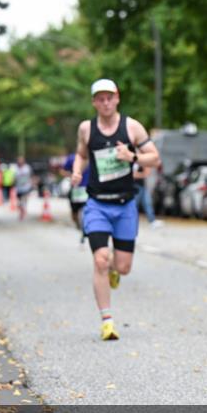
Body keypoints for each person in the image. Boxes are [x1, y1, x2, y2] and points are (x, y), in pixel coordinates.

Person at [71, 79, 160, 341]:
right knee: (100, 259)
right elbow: (81, 154)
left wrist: (132, 157)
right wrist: (77, 171)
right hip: (97, 204)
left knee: (123, 267)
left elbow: (154, 158)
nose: (106, 102)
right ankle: (107, 322)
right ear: (94, 102)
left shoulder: (132, 127)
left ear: (117, 98)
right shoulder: (86, 129)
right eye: (100, 98)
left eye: (109, 97)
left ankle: (114, 271)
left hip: (125, 206)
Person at [62, 151, 89, 243]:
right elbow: (63, 171)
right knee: (74, 213)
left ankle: (85, 229)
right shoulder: (72, 158)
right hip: (75, 189)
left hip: (87, 189)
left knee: (87, 210)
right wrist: (72, 175)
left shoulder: (92, 156)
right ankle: (78, 225)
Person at [14, 156, 33, 221]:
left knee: (24, 200)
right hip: (18, 188)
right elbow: (14, 178)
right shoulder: (15, 168)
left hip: (26, 187)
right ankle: (21, 211)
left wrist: (31, 184)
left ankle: (23, 212)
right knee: (19, 203)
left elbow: (30, 176)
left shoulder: (27, 168)